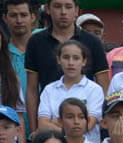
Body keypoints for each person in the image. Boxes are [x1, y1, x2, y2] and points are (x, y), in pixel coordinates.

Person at [25, 0, 111, 133]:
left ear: (76, 10)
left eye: (68, 7)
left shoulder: (93, 41)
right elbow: (32, 89)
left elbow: (104, 87)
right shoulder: (35, 41)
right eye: (57, 6)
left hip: (87, 125)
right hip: (50, 116)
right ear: (48, 9)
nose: (63, 12)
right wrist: (34, 132)